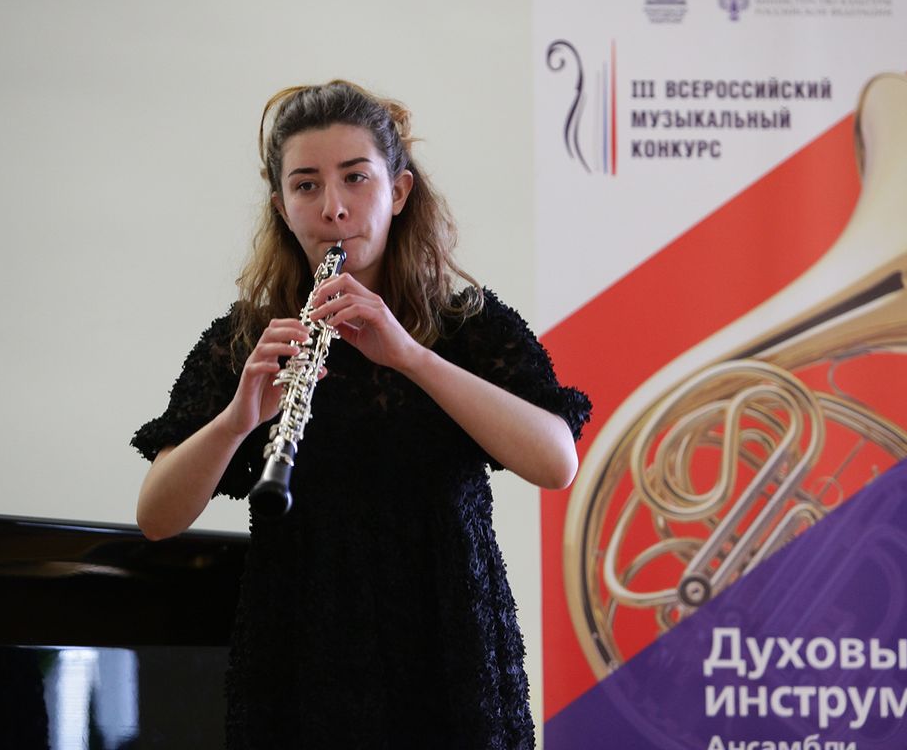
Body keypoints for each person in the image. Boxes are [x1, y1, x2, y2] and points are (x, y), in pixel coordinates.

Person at [131, 80, 591, 750]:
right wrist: (236, 420)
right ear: (282, 206)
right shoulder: (248, 339)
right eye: (306, 186)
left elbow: (556, 462)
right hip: (303, 658)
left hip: (449, 654)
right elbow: (156, 517)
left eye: (356, 178)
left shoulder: (464, 323)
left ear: (398, 191)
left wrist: (411, 357)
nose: (334, 208)